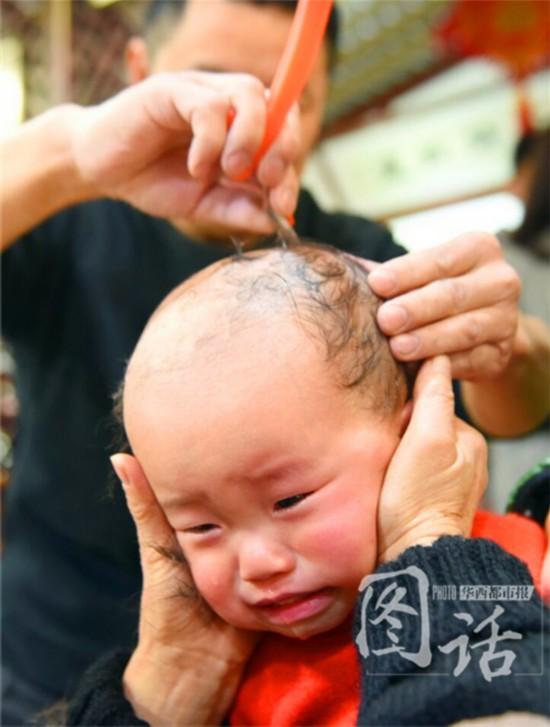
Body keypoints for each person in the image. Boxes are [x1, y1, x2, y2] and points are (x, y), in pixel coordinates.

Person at [1, 0, 548, 721]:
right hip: (52, 667)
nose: (253, 126)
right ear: (141, 73)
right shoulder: (58, 219)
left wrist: (510, 343)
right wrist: (76, 152)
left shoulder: (357, 259)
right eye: (215, 84)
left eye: (291, 98)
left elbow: (507, 403)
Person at [61, 244, 548, 725]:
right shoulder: (228, 684)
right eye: (202, 526)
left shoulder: (516, 581)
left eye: (290, 500)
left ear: (415, 439)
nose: (258, 565)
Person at [486, 129, 550, 511]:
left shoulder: (507, 260)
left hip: (526, 464)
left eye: (520, 174)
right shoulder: (507, 258)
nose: (512, 187)